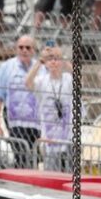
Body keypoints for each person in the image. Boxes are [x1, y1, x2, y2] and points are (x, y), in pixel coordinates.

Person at [0, 35, 42, 167]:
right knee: (20, 151)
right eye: (21, 47)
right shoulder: (6, 67)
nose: (24, 50)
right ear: (16, 49)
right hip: (14, 118)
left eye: (28, 47)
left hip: (36, 120)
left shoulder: (41, 68)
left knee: (34, 155)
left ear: (33, 50)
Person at [25, 44, 72, 172]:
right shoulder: (42, 80)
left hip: (68, 136)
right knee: (51, 172)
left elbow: (81, 80)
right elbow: (28, 83)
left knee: (70, 172)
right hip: (49, 137)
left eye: (56, 59)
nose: (54, 62)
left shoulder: (68, 79)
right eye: (50, 59)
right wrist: (40, 61)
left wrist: (63, 58)